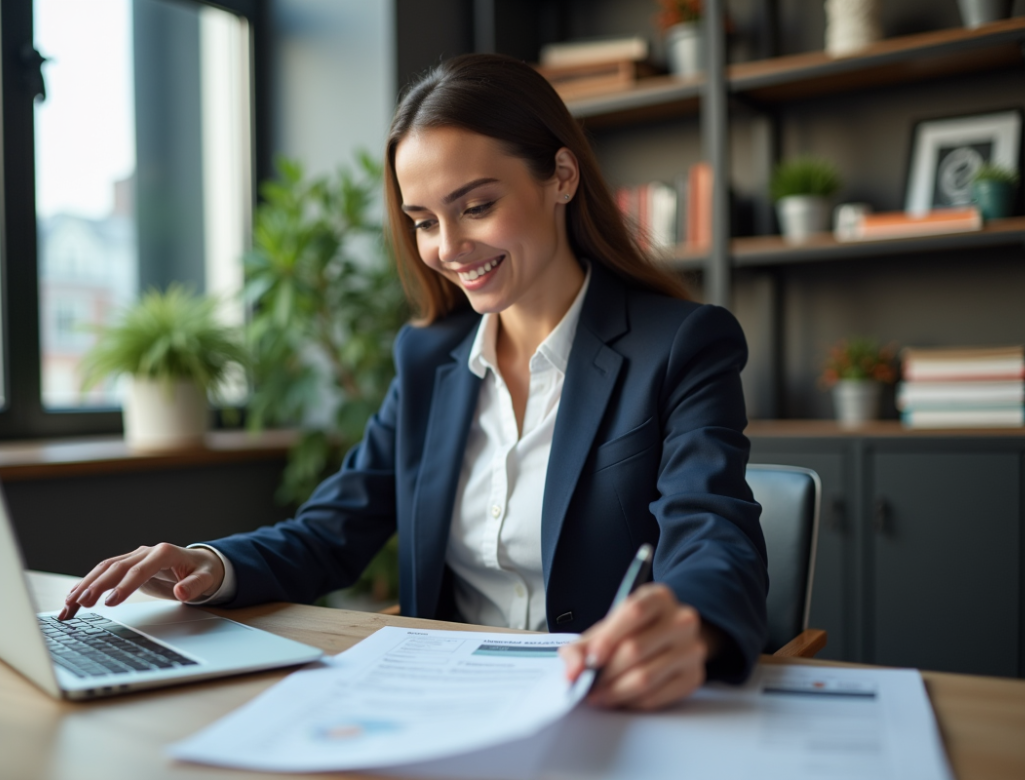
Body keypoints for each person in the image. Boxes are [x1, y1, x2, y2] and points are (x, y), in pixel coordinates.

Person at [60, 53, 768, 711]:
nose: (449, 249)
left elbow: (712, 531)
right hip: (449, 702)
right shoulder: (428, 359)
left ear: (561, 176)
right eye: (424, 221)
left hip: (605, 702)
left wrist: (692, 625)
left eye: (477, 206)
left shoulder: (681, 344)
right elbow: (332, 532)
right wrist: (209, 564)